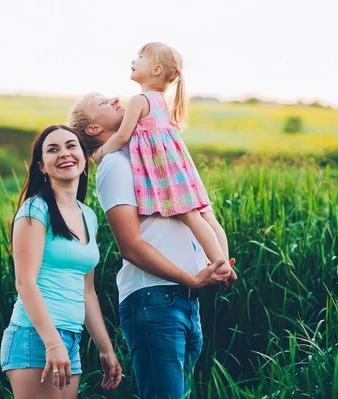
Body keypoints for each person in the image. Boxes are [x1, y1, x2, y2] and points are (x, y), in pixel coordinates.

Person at [69, 94, 238, 399]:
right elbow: (130, 246)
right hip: (153, 299)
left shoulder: (151, 155)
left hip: (185, 301)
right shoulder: (114, 165)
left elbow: (202, 214)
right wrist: (191, 279)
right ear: (93, 129)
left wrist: (217, 267)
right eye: (104, 102)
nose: (116, 98)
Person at [0, 125, 122, 398]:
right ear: (42, 167)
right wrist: (52, 343)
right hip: (35, 337)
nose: (64, 154)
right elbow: (25, 282)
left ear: (82, 155)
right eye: (53, 150)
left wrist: (105, 349)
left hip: (70, 338)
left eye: (71, 146)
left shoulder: (87, 215)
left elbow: (86, 291)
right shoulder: (36, 208)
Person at [91, 42, 232, 277]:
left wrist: (100, 153)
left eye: (140, 57)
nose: (133, 61)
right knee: (205, 214)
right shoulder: (160, 100)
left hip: (163, 168)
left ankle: (219, 265)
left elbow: (123, 135)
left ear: (156, 70)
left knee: (190, 216)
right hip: (179, 164)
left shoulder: (139, 100)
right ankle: (223, 261)